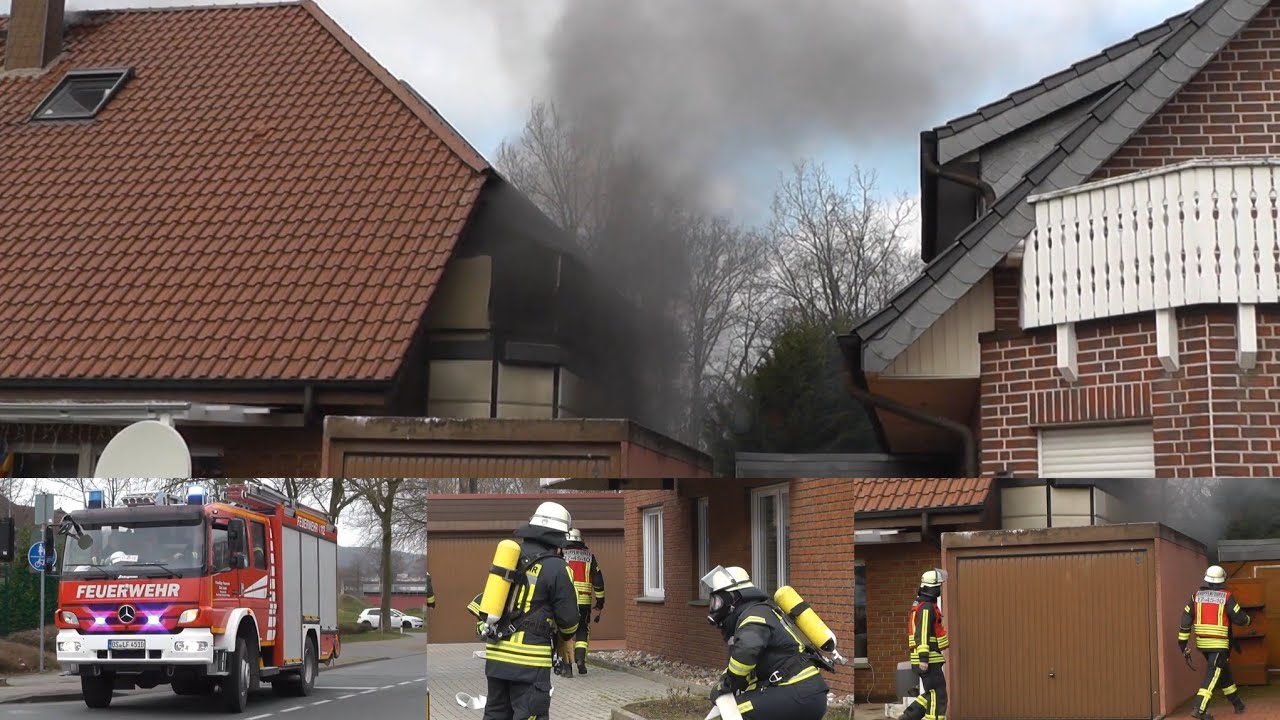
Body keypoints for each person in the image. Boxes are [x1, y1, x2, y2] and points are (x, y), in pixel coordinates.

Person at [466, 501, 580, 720]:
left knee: (496, 715)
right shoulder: (557, 567)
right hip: (530, 662)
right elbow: (569, 620)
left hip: (497, 659)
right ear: (558, 537)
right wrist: (566, 638)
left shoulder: (509, 559)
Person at [702, 565, 828, 720]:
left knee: (732, 713)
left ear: (733, 598)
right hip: (804, 693)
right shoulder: (760, 612)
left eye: (718, 602)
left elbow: (746, 653)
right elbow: (747, 666)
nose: (715, 608)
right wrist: (725, 679)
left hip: (797, 692)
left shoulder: (753, 616)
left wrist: (727, 684)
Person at [1180, 565, 1251, 718]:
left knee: (1223, 672)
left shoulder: (1195, 597)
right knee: (1212, 675)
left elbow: (1185, 621)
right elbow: (1239, 618)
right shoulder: (1226, 597)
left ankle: (1238, 704)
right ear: (1222, 580)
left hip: (1203, 645)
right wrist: (1248, 620)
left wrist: (1182, 644)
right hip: (1219, 645)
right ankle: (1199, 709)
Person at [899, 569, 948, 720]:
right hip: (928, 659)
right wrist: (924, 659)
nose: (940, 589)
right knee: (937, 695)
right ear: (933, 588)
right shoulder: (927, 607)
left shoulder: (923, 604)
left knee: (930, 693)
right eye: (938, 586)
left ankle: (908, 717)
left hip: (929, 658)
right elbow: (922, 633)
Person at [563, 528, 605, 674]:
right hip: (584, 602)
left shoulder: (561, 555)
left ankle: (567, 666)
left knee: (565, 633)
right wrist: (600, 602)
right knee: (582, 630)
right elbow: (598, 581)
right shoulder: (589, 557)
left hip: (565, 601)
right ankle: (580, 660)